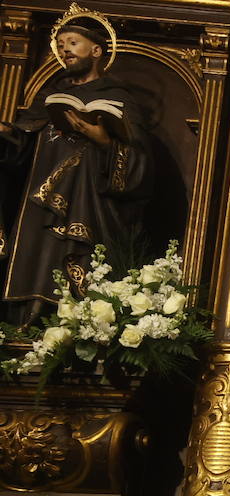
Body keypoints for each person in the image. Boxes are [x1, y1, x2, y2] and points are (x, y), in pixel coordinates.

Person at [0, 8, 152, 323]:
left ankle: (72, 322)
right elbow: (21, 150)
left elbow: (140, 165)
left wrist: (104, 141)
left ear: (96, 51)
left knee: (77, 260)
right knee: (34, 258)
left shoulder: (118, 98)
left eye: (73, 42)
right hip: (39, 205)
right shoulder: (51, 97)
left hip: (89, 202)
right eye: (62, 44)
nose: (66, 50)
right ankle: (23, 323)